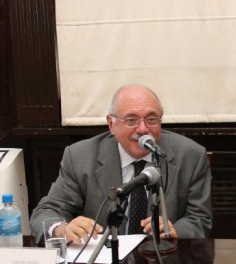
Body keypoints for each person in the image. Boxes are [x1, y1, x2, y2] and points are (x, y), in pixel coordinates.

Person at [30, 84, 212, 245]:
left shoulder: (190, 156)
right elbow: (46, 212)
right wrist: (63, 229)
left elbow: (200, 219)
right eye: (131, 120)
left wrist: (175, 231)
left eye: (151, 119)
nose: (142, 129)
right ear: (111, 124)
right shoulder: (80, 156)